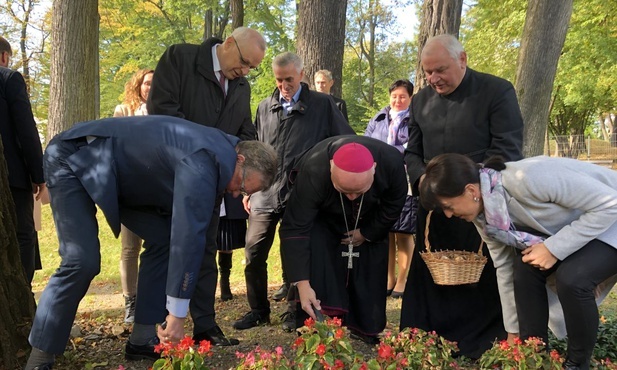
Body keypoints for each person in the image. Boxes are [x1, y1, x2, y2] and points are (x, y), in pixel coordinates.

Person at [24, 116, 277, 370]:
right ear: (241, 159)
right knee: (82, 261)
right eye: (242, 187)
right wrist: (177, 316)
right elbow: (188, 237)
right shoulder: (204, 162)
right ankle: (40, 357)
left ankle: (143, 338)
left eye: (245, 194)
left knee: (164, 240)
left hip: (123, 174)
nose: (236, 194)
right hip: (74, 157)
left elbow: (197, 241)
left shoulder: (224, 155)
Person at [419, 153, 617, 370]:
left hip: (610, 221)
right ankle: (533, 357)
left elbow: (610, 205)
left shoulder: (528, 178)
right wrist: (512, 330)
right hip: (582, 232)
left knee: (572, 279)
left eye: (448, 206)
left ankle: (577, 365)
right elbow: (503, 267)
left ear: (471, 191)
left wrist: (553, 248)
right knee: (523, 271)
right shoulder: (485, 219)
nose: (448, 215)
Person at [401, 34, 524, 358]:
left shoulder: (497, 91)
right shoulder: (421, 100)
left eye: (440, 70)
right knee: (431, 272)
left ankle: (482, 341)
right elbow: (411, 152)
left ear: (463, 59)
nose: (433, 79)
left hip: (478, 203)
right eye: (427, 72)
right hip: (432, 206)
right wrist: (428, 182)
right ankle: (429, 338)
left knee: (483, 274)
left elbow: (507, 150)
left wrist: (465, 186)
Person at [147, 26, 266, 344]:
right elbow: (163, 112)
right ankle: (153, 328)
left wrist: (249, 166)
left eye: (252, 67)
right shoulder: (180, 58)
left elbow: (245, 130)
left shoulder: (241, 86)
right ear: (228, 44)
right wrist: (205, 153)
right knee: (165, 246)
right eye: (244, 62)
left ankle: (206, 325)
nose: (245, 71)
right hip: (170, 177)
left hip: (212, 184)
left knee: (204, 249)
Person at [233, 52, 354, 332]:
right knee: (253, 252)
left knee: (295, 254)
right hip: (264, 192)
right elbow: (256, 149)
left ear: (301, 75)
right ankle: (258, 310)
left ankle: (293, 310)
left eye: (289, 79)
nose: (284, 85)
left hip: (302, 193)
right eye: (279, 80)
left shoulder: (323, 105)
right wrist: (249, 191)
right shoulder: (265, 107)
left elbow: (344, 140)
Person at [279, 136, 408, 344]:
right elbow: (295, 227)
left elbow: (393, 205)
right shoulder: (314, 168)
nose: (352, 198)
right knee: (320, 264)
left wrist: (367, 232)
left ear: (374, 169)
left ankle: (365, 326)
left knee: (369, 267)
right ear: (331, 168)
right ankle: (318, 327)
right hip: (324, 220)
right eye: (345, 191)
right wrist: (302, 284)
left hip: (370, 217)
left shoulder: (392, 164)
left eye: (359, 191)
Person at [364, 79, 417, 298]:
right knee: (385, 231)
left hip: (403, 180)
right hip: (379, 180)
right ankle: (388, 277)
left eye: (402, 96)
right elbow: (367, 143)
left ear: (410, 98)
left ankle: (404, 279)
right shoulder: (378, 118)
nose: (398, 100)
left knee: (403, 232)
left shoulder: (415, 120)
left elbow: (413, 148)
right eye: (394, 96)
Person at [0, 36, 45, 284]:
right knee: (23, 234)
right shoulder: (9, 78)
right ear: (4, 56)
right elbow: (26, 129)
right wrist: (38, 175)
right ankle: (22, 292)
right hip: (12, 175)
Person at [113, 68, 154, 323]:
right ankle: (131, 301)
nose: (150, 87)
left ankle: (152, 300)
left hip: (157, 189)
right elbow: (117, 144)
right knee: (130, 248)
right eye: (147, 83)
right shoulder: (124, 111)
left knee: (157, 245)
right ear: (139, 85)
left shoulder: (165, 110)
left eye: (155, 84)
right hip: (129, 188)